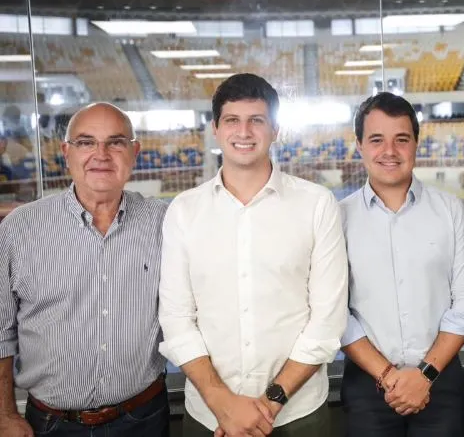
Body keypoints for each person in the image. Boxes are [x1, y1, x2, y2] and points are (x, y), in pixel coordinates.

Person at [158, 73, 349, 437]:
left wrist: (268, 406)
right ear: (215, 128)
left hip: (297, 415)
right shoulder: (184, 211)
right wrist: (223, 405)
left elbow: (327, 321)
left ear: (275, 129)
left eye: (256, 120)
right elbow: (177, 318)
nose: (243, 132)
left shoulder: (316, 205)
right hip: (210, 416)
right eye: (232, 120)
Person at [0, 102, 170, 437]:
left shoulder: (164, 223)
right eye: (86, 142)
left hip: (144, 419)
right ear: (67, 152)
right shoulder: (21, 229)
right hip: (51, 425)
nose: (101, 154)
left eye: (116, 142)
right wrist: (5, 415)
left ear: (134, 152)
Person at [338, 93, 464, 437]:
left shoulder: (452, 212)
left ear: (416, 143)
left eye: (401, 139)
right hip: (366, 386)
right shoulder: (336, 219)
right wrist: (388, 376)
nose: (390, 151)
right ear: (359, 145)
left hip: (441, 383)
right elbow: (334, 311)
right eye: (376, 140)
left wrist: (425, 375)